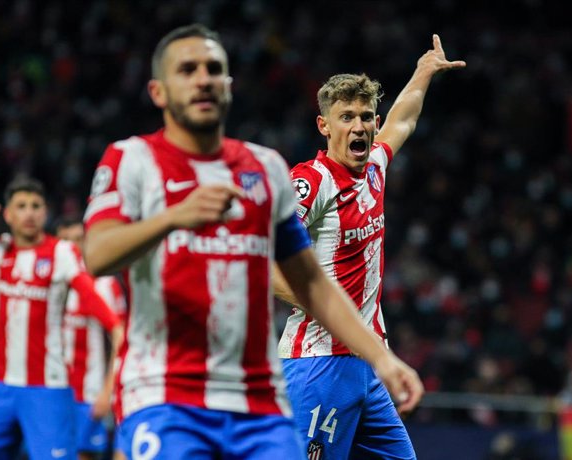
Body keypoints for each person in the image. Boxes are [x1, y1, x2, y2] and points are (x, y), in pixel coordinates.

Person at [82, 23, 423, 459]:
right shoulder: (131, 160)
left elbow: (312, 283)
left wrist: (383, 358)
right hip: (167, 392)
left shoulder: (264, 169)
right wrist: (174, 217)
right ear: (158, 91)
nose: (203, 78)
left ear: (228, 85)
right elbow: (96, 255)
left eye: (213, 68)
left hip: (255, 397)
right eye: (188, 69)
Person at [273, 35, 466, 458]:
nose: (358, 126)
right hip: (317, 364)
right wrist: (326, 307)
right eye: (346, 117)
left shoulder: (374, 167)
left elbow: (404, 121)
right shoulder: (311, 182)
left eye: (366, 116)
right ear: (324, 126)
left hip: (367, 363)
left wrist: (424, 71)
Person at [0, 178, 118, 460]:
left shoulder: (62, 253)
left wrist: (108, 386)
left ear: (45, 212)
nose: (29, 213)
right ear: (8, 214)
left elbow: (107, 316)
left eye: (36, 206)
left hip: (46, 389)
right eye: (21, 206)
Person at [56, 218, 125, 460]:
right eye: (65, 241)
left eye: (77, 240)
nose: (72, 247)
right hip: (53, 389)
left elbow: (120, 338)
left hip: (89, 392)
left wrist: (108, 390)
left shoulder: (105, 285)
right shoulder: (50, 283)